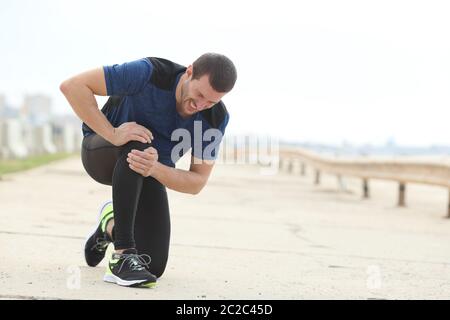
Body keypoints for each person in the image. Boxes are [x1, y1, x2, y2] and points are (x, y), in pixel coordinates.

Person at [60, 53, 237, 288]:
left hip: (146, 171)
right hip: (102, 153)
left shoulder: (214, 119)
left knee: (151, 265)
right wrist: (113, 133)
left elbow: (197, 181)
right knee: (140, 144)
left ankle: (109, 226)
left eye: (211, 101)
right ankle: (122, 257)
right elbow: (73, 86)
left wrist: (155, 168)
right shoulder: (148, 73)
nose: (201, 105)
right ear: (189, 71)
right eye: (200, 95)